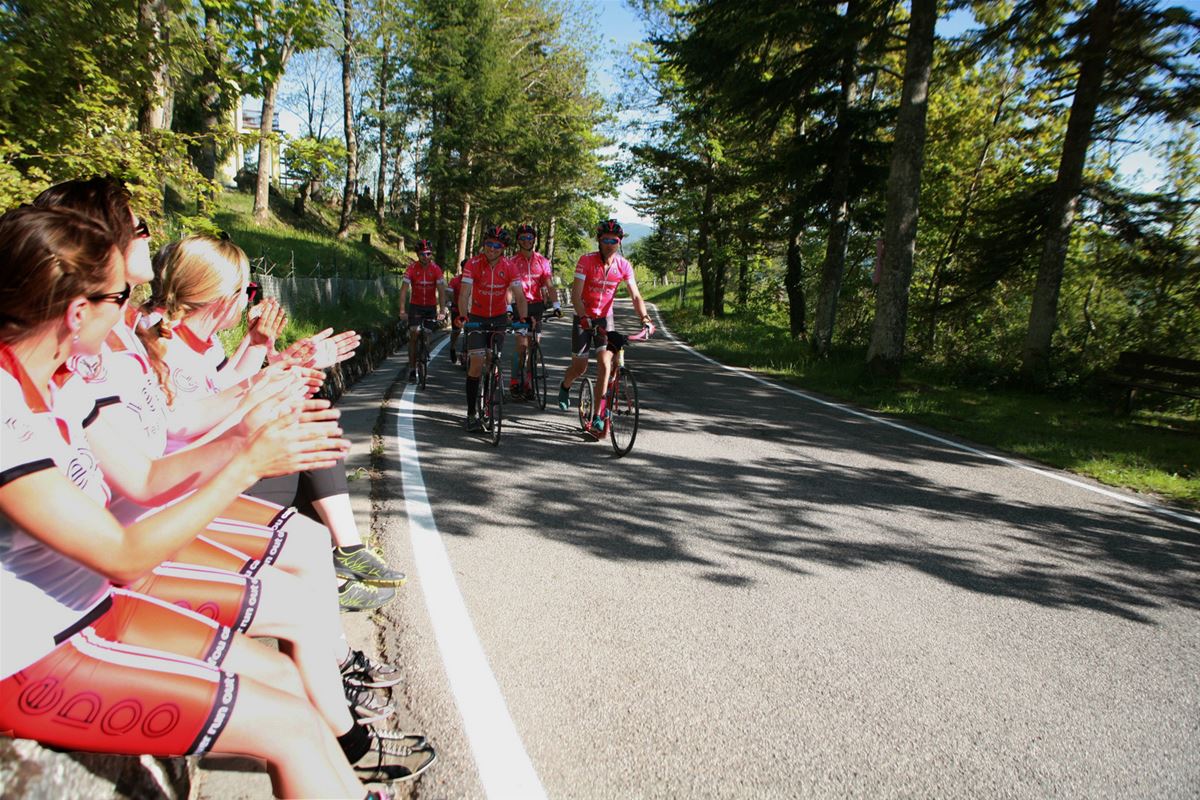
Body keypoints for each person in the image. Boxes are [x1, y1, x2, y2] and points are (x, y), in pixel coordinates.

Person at [29, 179, 434, 778]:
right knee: (289, 697)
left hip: (109, 572)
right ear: (80, 299)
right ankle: (348, 742)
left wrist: (266, 377)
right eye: (138, 229)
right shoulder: (72, 369)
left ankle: (341, 728)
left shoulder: (99, 350)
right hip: (73, 611)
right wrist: (249, 442)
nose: (132, 316)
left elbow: (173, 426)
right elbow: (139, 495)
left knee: (300, 570)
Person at [557, 219, 654, 438]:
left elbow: (635, 295)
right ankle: (565, 385)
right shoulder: (586, 261)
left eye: (615, 241)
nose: (610, 244)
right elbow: (575, 295)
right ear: (599, 241)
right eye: (606, 240)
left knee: (605, 363)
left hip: (605, 318)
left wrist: (646, 319)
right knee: (580, 367)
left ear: (619, 243)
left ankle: (599, 417)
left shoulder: (623, 265)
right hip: (583, 316)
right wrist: (583, 317)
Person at [456, 225, 527, 431]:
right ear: (484, 244)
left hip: (498, 319)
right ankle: (471, 413)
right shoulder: (473, 264)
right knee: (476, 363)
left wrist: (522, 318)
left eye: (497, 245)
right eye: (489, 244)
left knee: (492, 360)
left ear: (503, 248)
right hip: (477, 317)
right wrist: (463, 315)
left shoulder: (510, 266)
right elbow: (464, 294)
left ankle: (488, 401)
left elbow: (520, 296)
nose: (492, 248)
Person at [508, 223, 558, 399]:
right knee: (521, 347)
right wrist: (507, 307)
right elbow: (508, 287)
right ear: (518, 241)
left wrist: (556, 304)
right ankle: (514, 381)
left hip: (536, 306)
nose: (526, 241)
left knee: (534, 346)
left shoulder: (542, 261)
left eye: (529, 238)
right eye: (523, 238)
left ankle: (529, 381)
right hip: (518, 307)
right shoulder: (512, 262)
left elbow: (549, 285)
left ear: (534, 240)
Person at [398, 239, 446, 383]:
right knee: (414, 333)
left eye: (428, 254)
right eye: (422, 254)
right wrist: (402, 310)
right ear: (418, 255)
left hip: (430, 307)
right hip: (416, 306)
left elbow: (441, 292)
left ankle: (424, 356)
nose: (425, 257)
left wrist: (442, 310)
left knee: (427, 334)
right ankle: (412, 370)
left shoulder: (436, 269)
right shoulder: (411, 269)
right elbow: (404, 290)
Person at [446, 259, 467, 367]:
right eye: (464, 269)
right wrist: (452, 302)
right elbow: (449, 291)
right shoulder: (455, 280)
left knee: (472, 332)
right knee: (456, 331)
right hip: (457, 309)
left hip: (470, 310)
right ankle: (452, 348)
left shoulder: (475, 280)